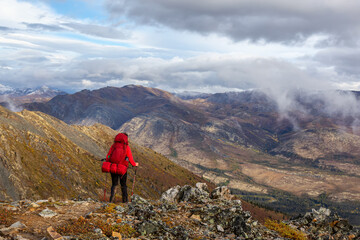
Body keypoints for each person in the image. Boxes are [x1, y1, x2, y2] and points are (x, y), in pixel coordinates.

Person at [106, 133, 138, 203]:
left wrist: (108, 160)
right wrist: (134, 164)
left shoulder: (114, 145)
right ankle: (125, 201)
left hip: (113, 167)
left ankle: (111, 200)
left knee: (114, 184)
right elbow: (130, 158)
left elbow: (108, 156)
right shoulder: (126, 147)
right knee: (123, 184)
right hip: (122, 169)